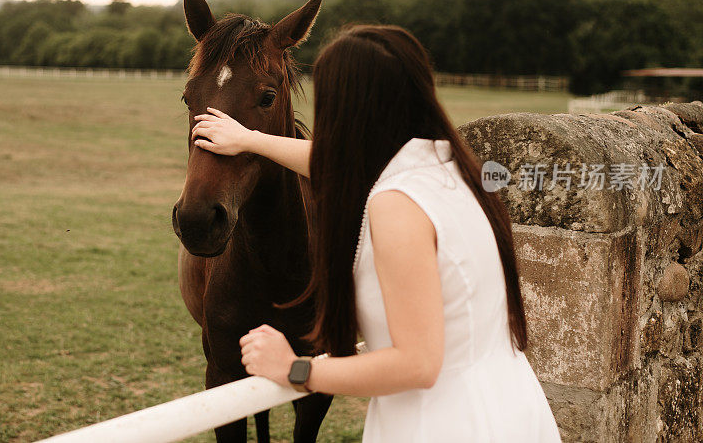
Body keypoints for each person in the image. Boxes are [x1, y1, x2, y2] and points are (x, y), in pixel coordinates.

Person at [189, 25, 561, 442]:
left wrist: (296, 368)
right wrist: (251, 139)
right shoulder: (452, 168)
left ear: (347, 108)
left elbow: (418, 364)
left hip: (441, 426)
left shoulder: (397, 204)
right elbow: (341, 165)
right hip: (513, 411)